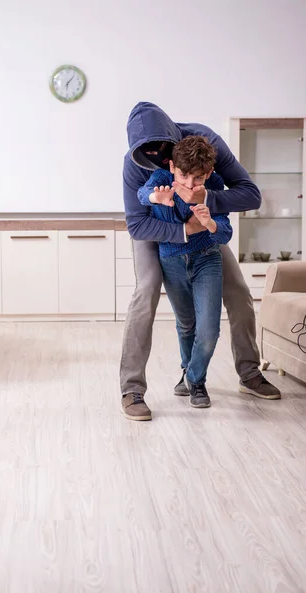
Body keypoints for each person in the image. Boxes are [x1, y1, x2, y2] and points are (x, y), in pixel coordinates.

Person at [120, 102, 281, 421]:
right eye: (153, 156)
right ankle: (131, 388)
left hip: (203, 228)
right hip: (157, 230)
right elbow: (137, 224)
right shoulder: (134, 163)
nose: (162, 160)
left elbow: (250, 195)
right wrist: (181, 229)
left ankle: (249, 373)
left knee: (237, 291)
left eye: (166, 152)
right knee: (146, 291)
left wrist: (205, 199)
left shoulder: (206, 144)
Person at [133, 135, 231, 414]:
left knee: (209, 330)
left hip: (207, 260)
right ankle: (190, 375)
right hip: (172, 260)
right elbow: (142, 195)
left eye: (197, 178)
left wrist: (209, 222)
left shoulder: (214, 186)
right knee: (186, 325)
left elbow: (225, 231)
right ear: (173, 166)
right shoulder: (162, 177)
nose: (189, 185)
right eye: (184, 175)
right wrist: (157, 197)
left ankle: (194, 378)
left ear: (208, 173)